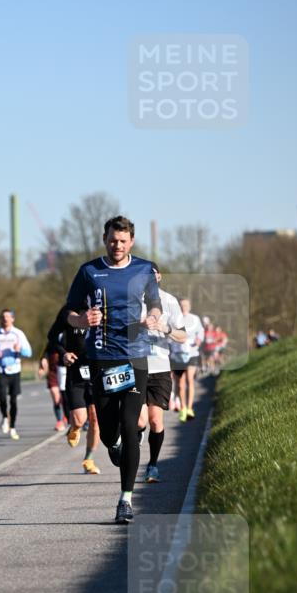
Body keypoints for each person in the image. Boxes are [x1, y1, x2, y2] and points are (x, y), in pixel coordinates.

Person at [65, 215, 161, 523]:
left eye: (122, 240)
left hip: (135, 356)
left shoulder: (145, 269)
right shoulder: (89, 271)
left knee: (130, 422)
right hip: (102, 358)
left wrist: (154, 317)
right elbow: (68, 312)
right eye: (111, 240)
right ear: (104, 239)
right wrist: (82, 320)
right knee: (108, 430)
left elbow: (155, 302)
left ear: (131, 241)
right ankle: (114, 443)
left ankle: (125, 499)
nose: (116, 245)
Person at [136, 263, 186, 483]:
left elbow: (182, 336)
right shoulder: (133, 300)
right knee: (139, 421)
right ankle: (133, 440)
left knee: (156, 421)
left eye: (153, 275)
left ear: (159, 277)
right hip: (136, 366)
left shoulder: (169, 301)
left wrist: (164, 328)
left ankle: (152, 466)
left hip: (160, 368)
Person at [46, 305, 101, 474]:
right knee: (79, 419)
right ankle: (74, 427)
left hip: (96, 371)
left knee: (95, 419)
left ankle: (89, 460)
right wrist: (63, 353)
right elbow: (52, 336)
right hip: (75, 371)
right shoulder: (69, 312)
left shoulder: (102, 306)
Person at [0, 308, 32, 440]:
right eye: (3, 317)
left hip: (15, 370)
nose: (5, 319)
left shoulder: (18, 334)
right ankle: (5, 417)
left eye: (8, 317)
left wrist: (20, 350)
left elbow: (29, 353)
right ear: (0, 319)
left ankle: (12, 426)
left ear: (12, 319)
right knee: (2, 397)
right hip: (1, 370)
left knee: (13, 400)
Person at [169, 298, 204, 422]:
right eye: (182, 305)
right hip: (177, 354)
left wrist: (199, 339)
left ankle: (190, 408)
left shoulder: (195, 319)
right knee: (181, 384)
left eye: (186, 305)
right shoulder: (173, 319)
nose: (184, 307)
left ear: (189, 306)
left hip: (192, 353)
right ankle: (183, 408)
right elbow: (169, 335)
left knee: (190, 379)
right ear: (179, 306)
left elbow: (200, 332)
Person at [38, 344, 68, 431]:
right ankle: (59, 421)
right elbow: (44, 355)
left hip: (66, 372)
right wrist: (41, 366)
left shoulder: (69, 337)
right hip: (53, 373)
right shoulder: (52, 341)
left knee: (64, 397)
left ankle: (67, 414)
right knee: (56, 398)